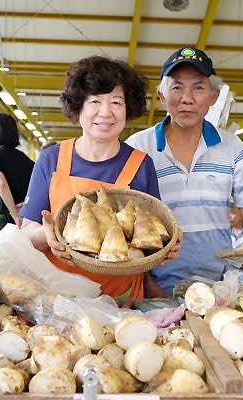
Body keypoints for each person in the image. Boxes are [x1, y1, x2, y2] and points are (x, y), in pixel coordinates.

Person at [126, 47, 243, 296]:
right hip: (154, 288)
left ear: (214, 97)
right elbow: (126, 227)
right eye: (177, 87)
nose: (187, 98)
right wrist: (147, 286)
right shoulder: (139, 147)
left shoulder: (232, 147)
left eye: (198, 88)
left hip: (219, 288)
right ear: (161, 95)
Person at [20, 55, 179, 302]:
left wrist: (165, 249)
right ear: (78, 106)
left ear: (128, 108)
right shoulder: (52, 159)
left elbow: (152, 235)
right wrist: (47, 235)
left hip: (121, 302)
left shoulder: (140, 164)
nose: (106, 112)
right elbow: (26, 234)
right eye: (94, 101)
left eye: (116, 102)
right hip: (58, 300)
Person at [0, 113, 35, 230]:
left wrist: (15, 214)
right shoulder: (24, 158)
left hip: (11, 217)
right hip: (29, 214)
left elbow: (1, 184)